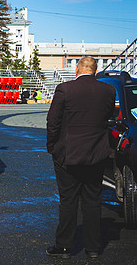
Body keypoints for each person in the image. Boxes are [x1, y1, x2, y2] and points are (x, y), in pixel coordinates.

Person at [46, 57, 115, 259]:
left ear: (77, 69)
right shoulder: (108, 91)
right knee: (93, 201)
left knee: (68, 201)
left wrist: (52, 147)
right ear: (95, 71)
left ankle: (64, 247)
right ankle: (93, 248)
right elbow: (106, 118)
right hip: (96, 153)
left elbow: (53, 121)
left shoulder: (65, 89)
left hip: (68, 154)